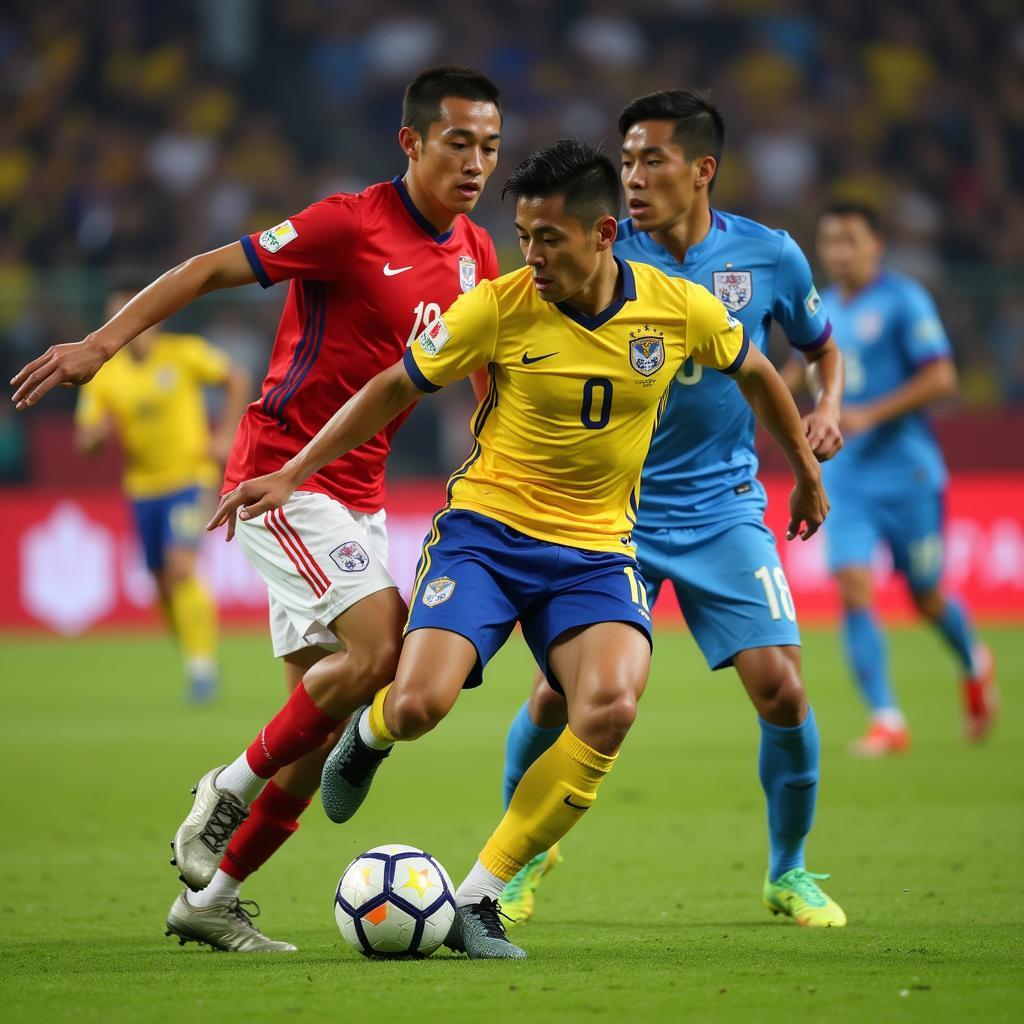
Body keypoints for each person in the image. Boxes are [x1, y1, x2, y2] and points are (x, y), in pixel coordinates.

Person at [211, 139, 830, 959]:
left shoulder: (680, 310)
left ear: (604, 234)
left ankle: (480, 899)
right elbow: (396, 384)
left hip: (597, 552)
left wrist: (806, 471)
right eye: (524, 235)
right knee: (421, 704)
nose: (529, 255)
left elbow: (757, 371)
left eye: (549, 239)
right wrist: (294, 472)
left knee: (608, 707)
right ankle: (373, 735)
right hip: (486, 540)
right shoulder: (499, 306)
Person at [10, 65, 503, 952]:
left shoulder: (475, 250)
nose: (476, 163)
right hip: (280, 477)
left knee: (312, 744)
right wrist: (102, 343)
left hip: (359, 497)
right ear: (413, 142)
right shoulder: (349, 223)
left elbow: (485, 371)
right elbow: (206, 270)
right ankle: (222, 791)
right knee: (383, 650)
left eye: (490, 147)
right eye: (459, 142)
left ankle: (210, 901)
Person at [499, 89, 848, 930]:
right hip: (609, 514)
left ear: (703, 170)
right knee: (557, 694)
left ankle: (788, 872)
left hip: (724, 506)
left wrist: (825, 409)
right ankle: (516, 861)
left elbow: (818, 348)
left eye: (651, 159)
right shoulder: (602, 256)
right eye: (625, 161)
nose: (633, 176)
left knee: (784, 692)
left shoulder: (770, 258)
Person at [815, 200, 997, 756]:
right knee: (853, 586)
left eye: (851, 240)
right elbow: (810, 366)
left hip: (908, 473)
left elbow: (942, 377)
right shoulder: (819, 306)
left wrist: (869, 413)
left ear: (877, 245)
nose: (840, 252)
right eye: (830, 242)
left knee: (926, 596)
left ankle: (972, 659)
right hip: (846, 475)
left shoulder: (904, 300)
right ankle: (887, 719)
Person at [75, 278, 250, 702]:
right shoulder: (105, 376)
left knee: (180, 569)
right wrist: (98, 435)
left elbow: (236, 378)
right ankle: (193, 654)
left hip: (189, 479)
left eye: (133, 316)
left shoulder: (183, 353)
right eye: (116, 319)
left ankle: (202, 667)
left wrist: (225, 433)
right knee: (159, 581)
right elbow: (85, 443)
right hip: (142, 488)